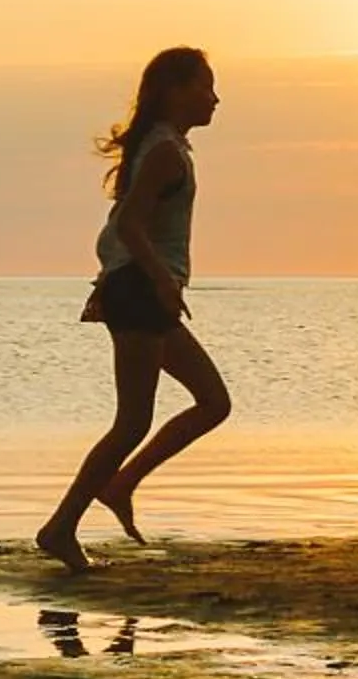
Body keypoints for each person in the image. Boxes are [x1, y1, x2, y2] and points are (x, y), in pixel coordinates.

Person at [36, 46, 232, 575]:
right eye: (205, 85)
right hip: (138, 289)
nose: (215, 97)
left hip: (141, 287)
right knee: (132, 420)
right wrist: (163, 280)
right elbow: (128, 227)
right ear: (174, 90)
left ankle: (121, 485)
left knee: (213, 402)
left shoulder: (166, 148)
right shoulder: (165, 152)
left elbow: (124, 225)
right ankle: (61, 527)